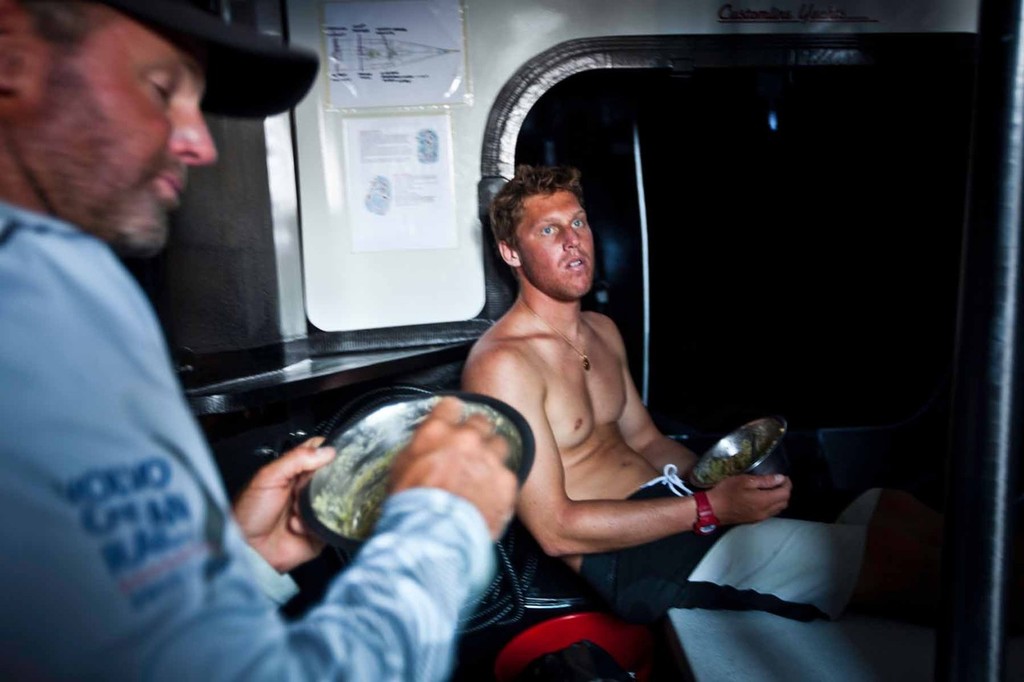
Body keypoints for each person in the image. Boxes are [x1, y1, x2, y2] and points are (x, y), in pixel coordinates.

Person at [0, 1, 517, 680]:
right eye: (161, 89)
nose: (201, 143)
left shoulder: (63, 271)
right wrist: (440, 523)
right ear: (11, 50)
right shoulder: (32, 294)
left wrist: (236, 562)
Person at [462, 163, 953, 627]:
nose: (574, 242)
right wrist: (710, 510)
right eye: (549, 231)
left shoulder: (601, 330)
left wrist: (726, 475)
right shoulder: (503, 364)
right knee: (902, 563)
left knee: (891, 508)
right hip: (631, 561)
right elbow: (556, 529)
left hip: (677, 505)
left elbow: (648, 442)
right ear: (511, 252)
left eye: (579, 222)